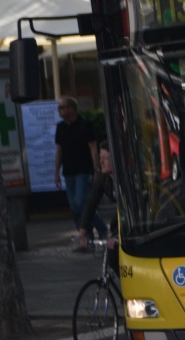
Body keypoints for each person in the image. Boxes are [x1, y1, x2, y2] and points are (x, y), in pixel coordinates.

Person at [55, 97, 101, 252]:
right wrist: (56, 172)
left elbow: (93, 147)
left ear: (72, 109)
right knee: (75, 207)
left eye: (63, 108)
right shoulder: (60, 128)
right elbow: (59, 151)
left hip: (83, 170)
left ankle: (100, 228)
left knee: (81, 202)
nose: (61, 111)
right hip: (68, 172)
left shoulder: (84, 125)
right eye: (59, 108)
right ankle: (85, 241)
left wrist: (96, 170)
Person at [77, 142, 118, 276]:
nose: (101, 162)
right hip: (121, 217)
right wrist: (83, 230)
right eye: (100, 158)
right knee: (111, 254)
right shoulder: (103, 178)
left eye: (105, 158)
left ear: (115, 158)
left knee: (115, 250)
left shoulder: (125, 176)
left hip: (135, 217)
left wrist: (118, 237)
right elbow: (91, 203)